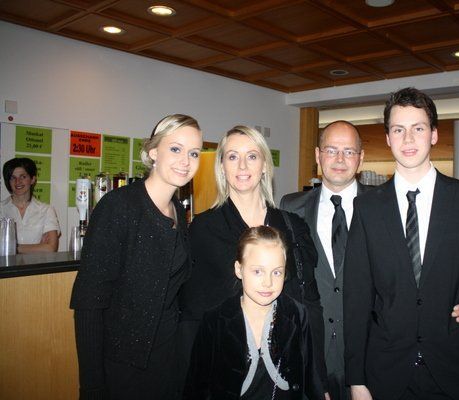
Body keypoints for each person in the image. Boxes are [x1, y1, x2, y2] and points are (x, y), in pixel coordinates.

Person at [280, 120, 459, 400]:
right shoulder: (290, 208)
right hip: (313, 355)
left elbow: (431, 265)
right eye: (331, 150)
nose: (340, 159)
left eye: (349, 151)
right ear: (317, 155)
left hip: (375, 360)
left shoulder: (386, 205)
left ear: (361, 158)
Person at [344, 87, 459, 400]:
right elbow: (357, 299)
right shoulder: (366, 208)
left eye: (418, 128)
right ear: (388, 138)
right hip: (387, 375)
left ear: (433, 134)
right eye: (398, 130)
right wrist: (356, 379)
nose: (408, 139)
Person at [178, 125, 327, 396]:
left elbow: (310, 305)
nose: (242, 165)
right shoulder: (203, 230)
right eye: (233, 156)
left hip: (286, 375)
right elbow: (192, 318)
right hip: (227, 379)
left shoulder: (292, 227)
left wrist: (318, 384)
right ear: (221, 166)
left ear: (265, 165)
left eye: (252, 156)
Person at [70, 114, 203, 400]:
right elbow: (88, 302)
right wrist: (92, 387)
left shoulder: (177, 211)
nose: (186, 161)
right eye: (176, 149)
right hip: (125, 365)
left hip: (168, 359)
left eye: (194, 153)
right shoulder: (119, 206)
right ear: (153, 152)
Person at [184, 225, 324, 399]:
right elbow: (196, 387)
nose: (268, 282)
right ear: (239, 269)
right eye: (258, 271)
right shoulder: (215, 321)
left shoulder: (296, 314)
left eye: (277, 272)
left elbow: (310, 378)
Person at [1, 157, 60, 253]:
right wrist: (38, 247)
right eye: (13, 178)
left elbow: (50, 248)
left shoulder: (46, 210)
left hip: (35, 264)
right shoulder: (1, 209)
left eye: (23, 177)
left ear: (32, 179)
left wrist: (12, 247)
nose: (18, 182)